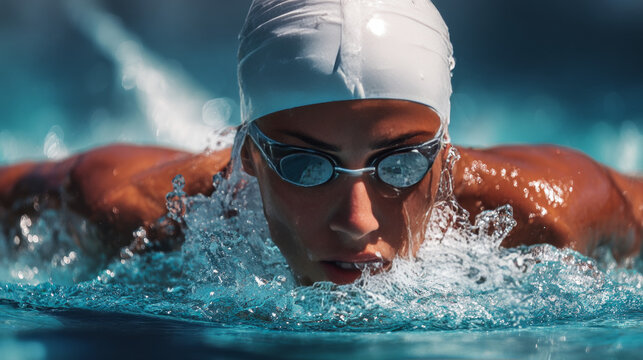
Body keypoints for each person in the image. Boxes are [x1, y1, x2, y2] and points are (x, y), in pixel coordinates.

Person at [0, 0, 641, 285]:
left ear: (445, 155)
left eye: (403, 162)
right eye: (306, 164)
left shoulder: (553, 215)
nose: (357, 223)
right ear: (248, 156)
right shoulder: (132, 208)